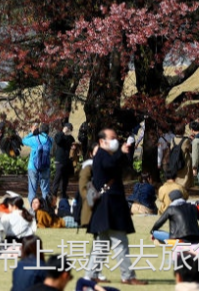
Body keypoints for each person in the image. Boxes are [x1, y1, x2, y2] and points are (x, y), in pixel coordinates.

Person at [83, 128, 147, 286]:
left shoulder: (106, 155)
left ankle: (91, 275)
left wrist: (122, 154)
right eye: (112, 138)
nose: (115, 141)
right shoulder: (102, 155)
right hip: (109, 204)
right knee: (120, 241)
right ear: (101, 141)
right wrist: (121, 152)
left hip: (106, 205)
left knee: (101, 244)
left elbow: (116, 166)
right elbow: (110, 165)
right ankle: (127, 275)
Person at [23, 123, 53, 205]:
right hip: (45, 166)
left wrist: (32, 133)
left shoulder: (34, 139)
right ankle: (46, 207)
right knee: (45, 189)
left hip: (33, 166)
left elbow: (23, 140)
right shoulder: (50, 140)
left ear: (40, 130)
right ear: (48, 131)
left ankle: (33, 208)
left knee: (33, 189)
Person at [52, 122, 75, 201]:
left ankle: (63, 194)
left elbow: (72, 145)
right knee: (57, 177)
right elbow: (58, 141)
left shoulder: (70, 138)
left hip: (67, 161)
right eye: (68, 128)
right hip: (60, 160)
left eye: (70, 129)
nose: (68, 130)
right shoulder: (59, 135)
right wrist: (63, 132)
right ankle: (54, 193)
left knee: (65, 179)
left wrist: (74, 147)